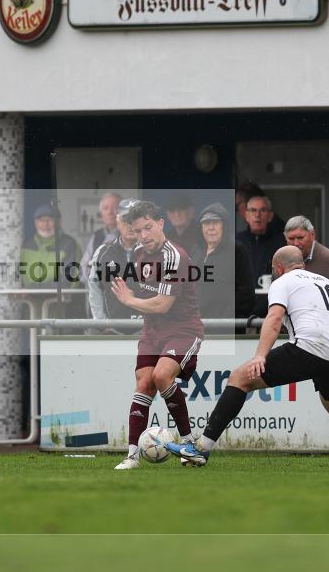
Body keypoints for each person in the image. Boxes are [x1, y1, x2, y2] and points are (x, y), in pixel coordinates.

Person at [165, 246, 329, 473]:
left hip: (311, 345)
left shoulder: (284, 282)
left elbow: (274, 318)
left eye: (273, 269)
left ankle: (200, 449)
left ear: (278, 267)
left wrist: (260, 355)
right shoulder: (327, 283)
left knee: (239, 378)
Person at [109, 201, 204, 470]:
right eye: (138, 231)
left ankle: (188, 445)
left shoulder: (175, 256)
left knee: (162, 376)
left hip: (183, 329)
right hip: (152, 330)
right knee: (144, 384)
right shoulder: (138, 252)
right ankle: (131, 456)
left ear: (161, 224)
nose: (144, 235)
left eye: (148, 228)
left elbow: (163, 304)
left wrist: (129, 300)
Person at [189, 202, 255, 326]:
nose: (211, 227)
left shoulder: (238, 250)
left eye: (215, 222)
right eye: (206, 223)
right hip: (196, 327)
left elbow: (246, 296)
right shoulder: (196, 251)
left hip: (225, 329)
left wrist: (223, 321)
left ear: (224, 226)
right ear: (201, 227)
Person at [88, 198, 141, 334]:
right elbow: (95, 288)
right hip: (111, 330)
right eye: (126, 220)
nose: (130, 225)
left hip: (148, 331)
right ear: (118, 222)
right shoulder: (103, 252)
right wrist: (101, 323)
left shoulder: (156, 252)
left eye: (135, 220)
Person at [236, 195, 286, 317]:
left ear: (270, 216)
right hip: (241, 315)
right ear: (245, 215)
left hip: (272, 313)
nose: (257, 215)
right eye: (253, 210)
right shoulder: (235, 243)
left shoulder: (281, 244)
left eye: (262, 210)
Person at [284, 215, 329, 293]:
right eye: (291, 239)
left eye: (300, 238)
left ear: (312, 235)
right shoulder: (283, 259)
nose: (296, 243)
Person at [20, 204, 82, 287]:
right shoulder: (27, 246)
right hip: (29, 299)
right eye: (41, 220)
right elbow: (20, 276)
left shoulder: (69, 244)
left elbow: (71, 279)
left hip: (60, 298)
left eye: (50, 220)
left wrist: (36, 289)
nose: (46, 224)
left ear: (59, 222)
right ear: (36, 223)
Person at [79, 192, 121, 285]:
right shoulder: (96, 236)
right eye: (105, 208)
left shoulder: (132, 234)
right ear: (101, 213)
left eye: (115, 208)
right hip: (97, 293)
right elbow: (83, 269)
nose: (110, 212)